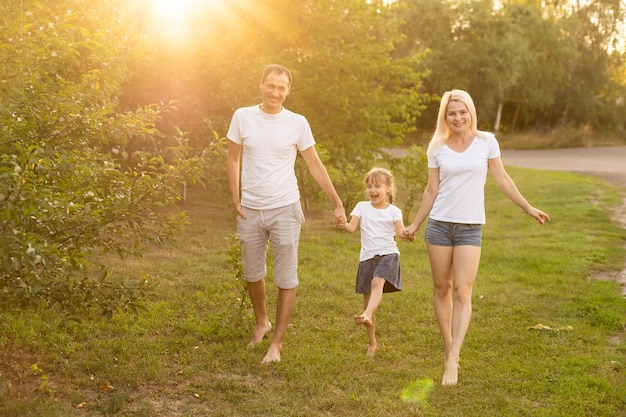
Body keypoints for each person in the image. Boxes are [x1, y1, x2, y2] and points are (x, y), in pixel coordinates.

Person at [402, 89, 550, 385]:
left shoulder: (486, 142)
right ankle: (448, 347)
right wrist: (416, 224)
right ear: (445, 117)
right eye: (451, 113)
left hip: (470, 227)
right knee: (441, 288)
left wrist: (527, 207)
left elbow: (503, 179)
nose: (458, 118)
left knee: (463, 291)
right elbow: (432, 189)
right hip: (439, 225)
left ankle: (453, 359)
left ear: (471, 112)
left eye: (462, 111)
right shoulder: (437, 147)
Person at [226, 64, 346, 365]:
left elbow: (315, 164)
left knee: (286, 277)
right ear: (261, 85)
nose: (275, 92)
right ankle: (262, 322)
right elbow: (232, 158)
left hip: (285, 208)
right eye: (271, 86)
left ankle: (277, 343)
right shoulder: (243, 117)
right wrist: (235, 197)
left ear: (288, 90)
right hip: (251, 208)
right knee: (252, 273)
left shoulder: (297, 123)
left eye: (281, 88)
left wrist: (337, 201)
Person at [340, 167, 407, 357]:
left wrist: (407, 234)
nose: (372, 190)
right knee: (369, 303)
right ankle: (372, 343)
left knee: (377, 282)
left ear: (388, 188)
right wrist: (342, 224)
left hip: (388, 254)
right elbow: (351, 227)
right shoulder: (361, 207)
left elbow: (400, 231)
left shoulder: (394, 211)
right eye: (369, 186)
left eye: (377, 185)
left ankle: (367, 314)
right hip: (367, 258)